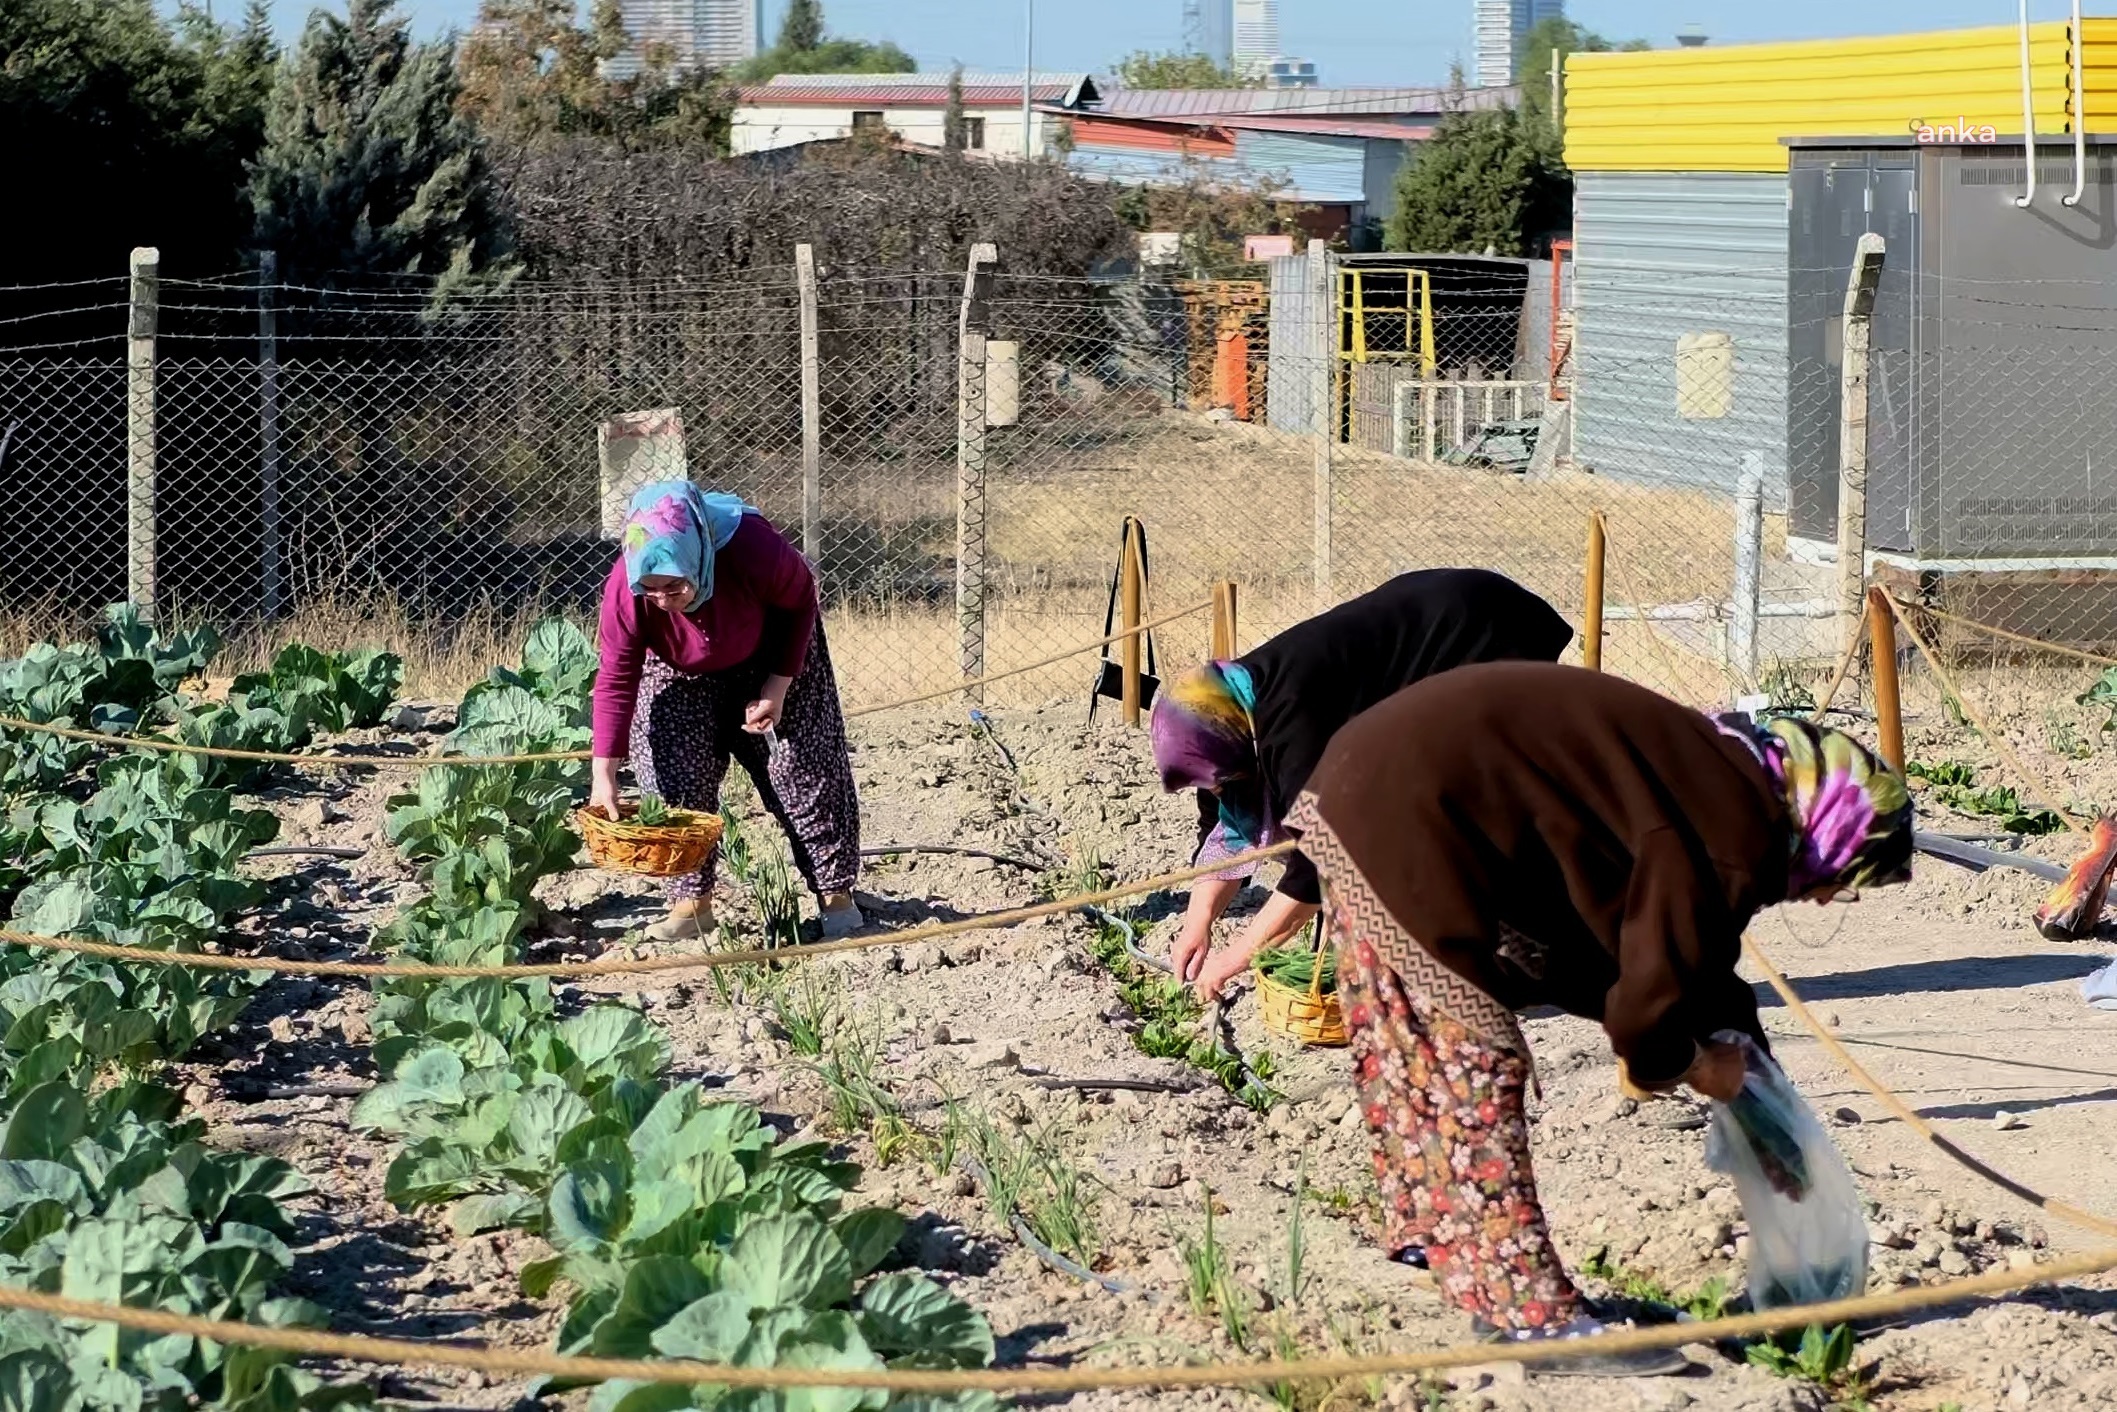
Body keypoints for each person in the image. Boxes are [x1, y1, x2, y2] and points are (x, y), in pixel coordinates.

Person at [1282, 662, 1911, 1377]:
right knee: (1472, 1060)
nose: (1828, 898)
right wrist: (1688, 1063)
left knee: (1412, 1051)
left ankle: (1440, 1245)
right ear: (1833, 823)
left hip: (1370, 785)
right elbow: (1650, 999)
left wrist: (1765, 1114)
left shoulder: (1722, 781)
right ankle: (1531, 1321)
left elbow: (1677, 961)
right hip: (1412, 810)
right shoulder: (1737, 831)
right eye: (1848, 875)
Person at [1149, 569, 1574, 1001]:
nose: (1216, 792)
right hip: (1431, 624)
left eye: (1218, 782)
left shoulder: (1292, 728)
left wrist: (1233, 959)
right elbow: (1224, 831)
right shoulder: (1225, 713)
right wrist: (1197, 923)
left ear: (1233, 745)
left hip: (1482, 633)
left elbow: (1320, 861)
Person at [590, 481, 863, 942]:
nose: (663, 600)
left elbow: (800, 603)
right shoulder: (626, 588)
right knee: (673, 772)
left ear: (697, 557)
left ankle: (836, 897)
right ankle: (691, 906)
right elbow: (616, 678)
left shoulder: (753, 549)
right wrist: (605, 774)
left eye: (674, 585)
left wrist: (776, 688)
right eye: (650, 590)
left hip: (771, 647)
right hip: (676, 665)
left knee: (801, 769)